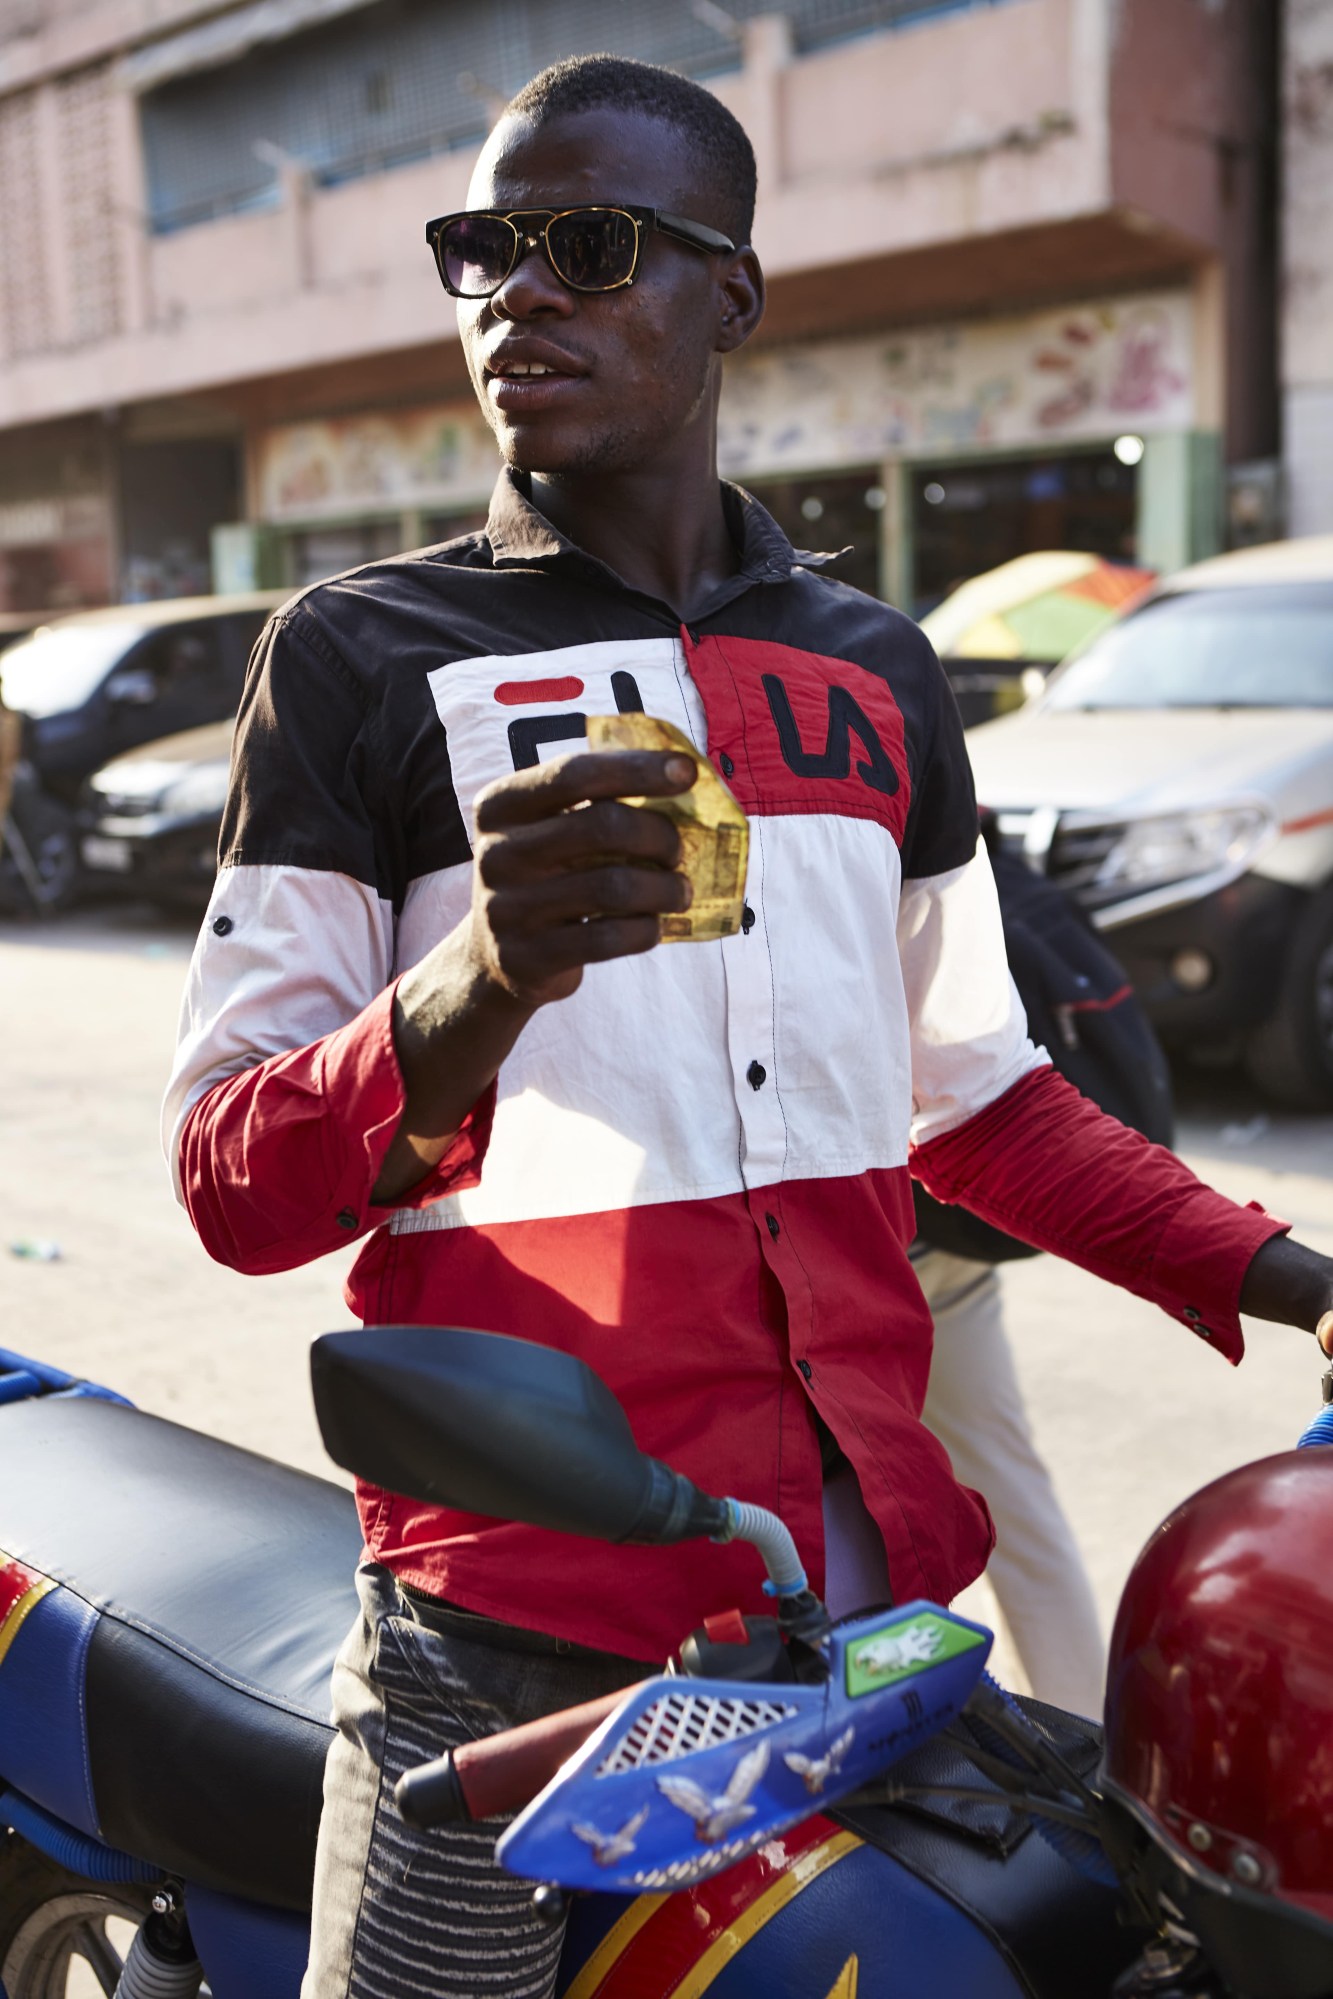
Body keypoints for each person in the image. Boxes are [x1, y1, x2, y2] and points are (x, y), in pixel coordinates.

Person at [164, 55, 1333, 1999]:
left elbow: (981, 1105)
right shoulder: (359, 659)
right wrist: (480, 982)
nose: (513, 296)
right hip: (509, 1626)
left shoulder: (871, 675)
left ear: (732, 292)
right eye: (479, 250)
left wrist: (1296, 1279)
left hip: (864, 1611)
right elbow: (233, 1184)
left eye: (585, 245)